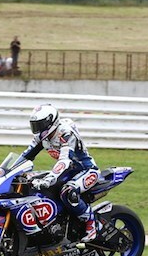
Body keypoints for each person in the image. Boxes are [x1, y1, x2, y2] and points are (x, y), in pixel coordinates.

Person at [16, 104, 101, 242]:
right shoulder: (42, 137)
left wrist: (49, 179)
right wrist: (6, 171)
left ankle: (91, 225)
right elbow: (26, 156)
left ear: (50, 122)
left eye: (40, 125)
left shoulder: (65, 134)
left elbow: (64, 160)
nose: (37, 129)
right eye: (35, 125)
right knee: (30, 182)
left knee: (68, 191)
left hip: (86, 170)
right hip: (68, 171)